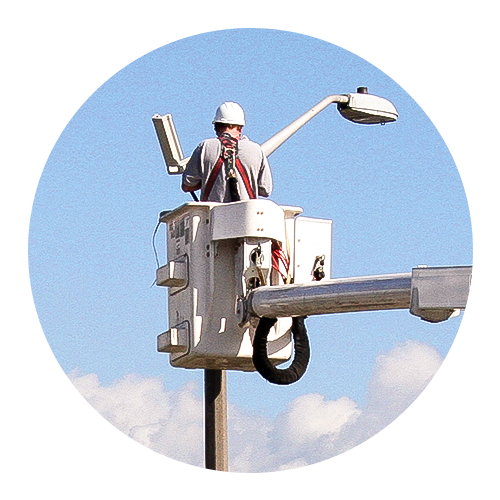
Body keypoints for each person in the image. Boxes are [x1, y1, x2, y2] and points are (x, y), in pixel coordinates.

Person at [182, 102, 273, 202]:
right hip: (246, 215)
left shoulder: (205, 147)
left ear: (216, 126)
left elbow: (187, 185)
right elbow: (265, 189)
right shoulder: (256, 150)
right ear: (241, 127)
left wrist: (208, 179)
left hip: (214, 215)